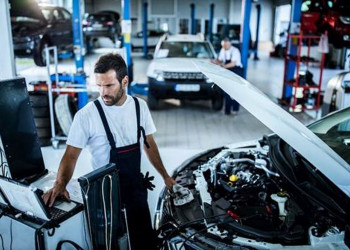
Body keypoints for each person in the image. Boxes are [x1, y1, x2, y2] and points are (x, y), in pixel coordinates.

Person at [43, 53, 176, 249]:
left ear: (124, 81)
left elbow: (149, 143)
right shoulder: (87, 115)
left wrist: (165, 176)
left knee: (144, 241)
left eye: (109, 86)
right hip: (104, 197)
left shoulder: (140, 107)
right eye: (99, 86)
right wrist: (60, 184)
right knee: (111, 243)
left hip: (135, 190)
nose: (103, 92)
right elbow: (71, 154)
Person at [212, 37, 243, 115]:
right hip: (228, 71)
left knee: (235, 91)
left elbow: (233, 64)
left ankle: (235, 109)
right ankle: (227, 110)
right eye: (223, 46)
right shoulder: (223, 50)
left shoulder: (235, 51)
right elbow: (220, 60)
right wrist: (213, 62)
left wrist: (222, 66)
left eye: (225, 45)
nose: (224, 47)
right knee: (227, 90)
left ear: (230, 44)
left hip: (236, 71)